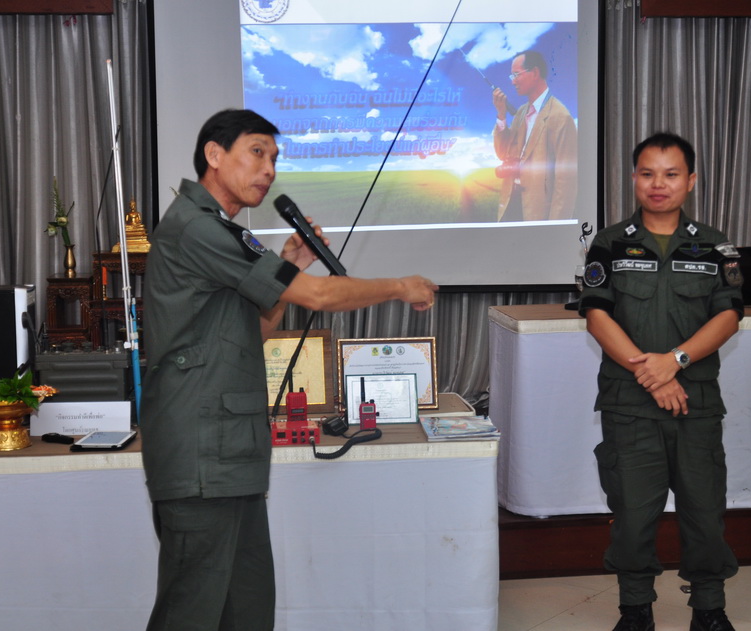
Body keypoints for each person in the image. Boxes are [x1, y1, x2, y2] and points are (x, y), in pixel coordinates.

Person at [139, 108, 438, 631]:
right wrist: (399, 286)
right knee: (192, 611)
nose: (269, 169)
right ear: (214, 155)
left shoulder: (220, 231)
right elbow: (318, 296)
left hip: (230, 452)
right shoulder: (197, 227)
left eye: (274, 158)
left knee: (246, 607)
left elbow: (253, 331)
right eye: (257, 152)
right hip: (201, 455)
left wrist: (292, 266)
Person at [577, 132, 743, 631]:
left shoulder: (715, 244)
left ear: (691, 181)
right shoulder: (609, 242)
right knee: (631, 515)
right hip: (629, 405)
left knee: (704, 514)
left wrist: (675, 360)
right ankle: (635, 611)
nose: (658, 184)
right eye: (648, 173)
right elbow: (597, 316)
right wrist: (651, 374)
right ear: (634, 178)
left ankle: (709, 610)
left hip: (696, 403)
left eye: (671, 174)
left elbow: (729, 316)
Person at [492, 49, 577, 222]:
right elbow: (502, 153)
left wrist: (555, 227)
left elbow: (566, 183)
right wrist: (501, 115)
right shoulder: (521, 112)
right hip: (510, 205)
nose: (513, 81)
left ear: (535, 73)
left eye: (517, 74)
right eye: (511, 76)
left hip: (536, 213)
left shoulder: (561, 117)